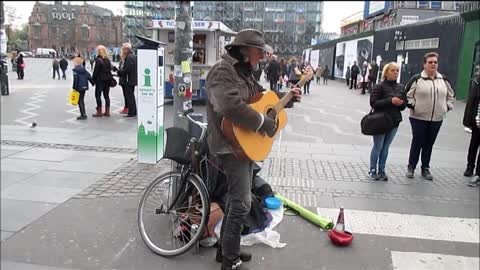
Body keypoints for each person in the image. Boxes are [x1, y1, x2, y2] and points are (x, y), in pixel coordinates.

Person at [205, 29, 301, 270]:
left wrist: (287, 98)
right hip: (229, 145)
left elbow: (262, 98)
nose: (262, 56)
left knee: (239, 200)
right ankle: (229, 261)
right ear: (245, 50)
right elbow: (230, 105)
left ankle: (226, 249)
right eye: (259, 51)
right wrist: (262, 123)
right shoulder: (223, 70)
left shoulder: (245, 72)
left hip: (243, 144)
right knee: (241, 203)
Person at [405, 52, 455, 180]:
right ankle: (411, 167)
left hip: (437, 118)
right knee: (417, 142)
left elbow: (451, 96)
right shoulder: (417, 79)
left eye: (435, 62)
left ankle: (425, 168)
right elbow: (407, 95)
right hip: (418, 117)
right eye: (430, 62)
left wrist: (447, 107)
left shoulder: (443, 79)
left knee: (429, 143)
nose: (433, 64)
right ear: (424, 64)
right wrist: (413, 105)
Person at [368, 62, 407, 181]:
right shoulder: (379, 86)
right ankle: (372, 170)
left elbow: (404, 105)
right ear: (386, 73)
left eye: (397, 71)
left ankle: (382, 170)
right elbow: (373, 103)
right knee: (378, 146)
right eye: (393, 70)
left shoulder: (401, 87)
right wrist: (390, 101)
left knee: (386, 147)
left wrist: (401, 104)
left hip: (394, 121)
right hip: (380, 120)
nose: (395, 73)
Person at [463, 68, 480, 187]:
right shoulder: (477, 81)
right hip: (477, 120)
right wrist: (469, 120)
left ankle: (478, 173)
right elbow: (471, 102)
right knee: (474, 145)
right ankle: (470, 167)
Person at [114, 43, 137, 118]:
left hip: (128, 80)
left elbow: (127, 70)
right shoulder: (133, 56)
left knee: (129, 97)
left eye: (123, 49)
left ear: (127, 49)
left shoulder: (128, 57)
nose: (122, 51)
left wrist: (119, 72)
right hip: (131, 79)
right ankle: (133, 111)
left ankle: (131, 113)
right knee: (131, 96)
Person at [92, 45, 114, 117]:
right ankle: (107, 112)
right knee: (106, 96)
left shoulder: (98, 60)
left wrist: (93, 80)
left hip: (100, 80)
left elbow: (96, 71)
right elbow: (110, 69)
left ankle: (99, 111)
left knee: (98, 95)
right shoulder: (108, 60)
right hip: (107, 80)